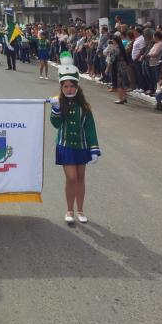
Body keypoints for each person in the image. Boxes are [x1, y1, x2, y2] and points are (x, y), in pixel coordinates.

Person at [49, 52, 101, 224]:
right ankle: (69, 209)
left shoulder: (84, 106)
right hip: (65, 146)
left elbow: (90, 128)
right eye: (66, 86)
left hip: (82, 146)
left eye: (72, 86)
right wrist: (56, 109)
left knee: (80, 178)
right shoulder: (59, 103)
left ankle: (80, 210)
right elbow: (55, 124)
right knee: (71, 178)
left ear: (77, 87)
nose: (69, 89)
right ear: (61, 87)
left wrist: (94, 149)